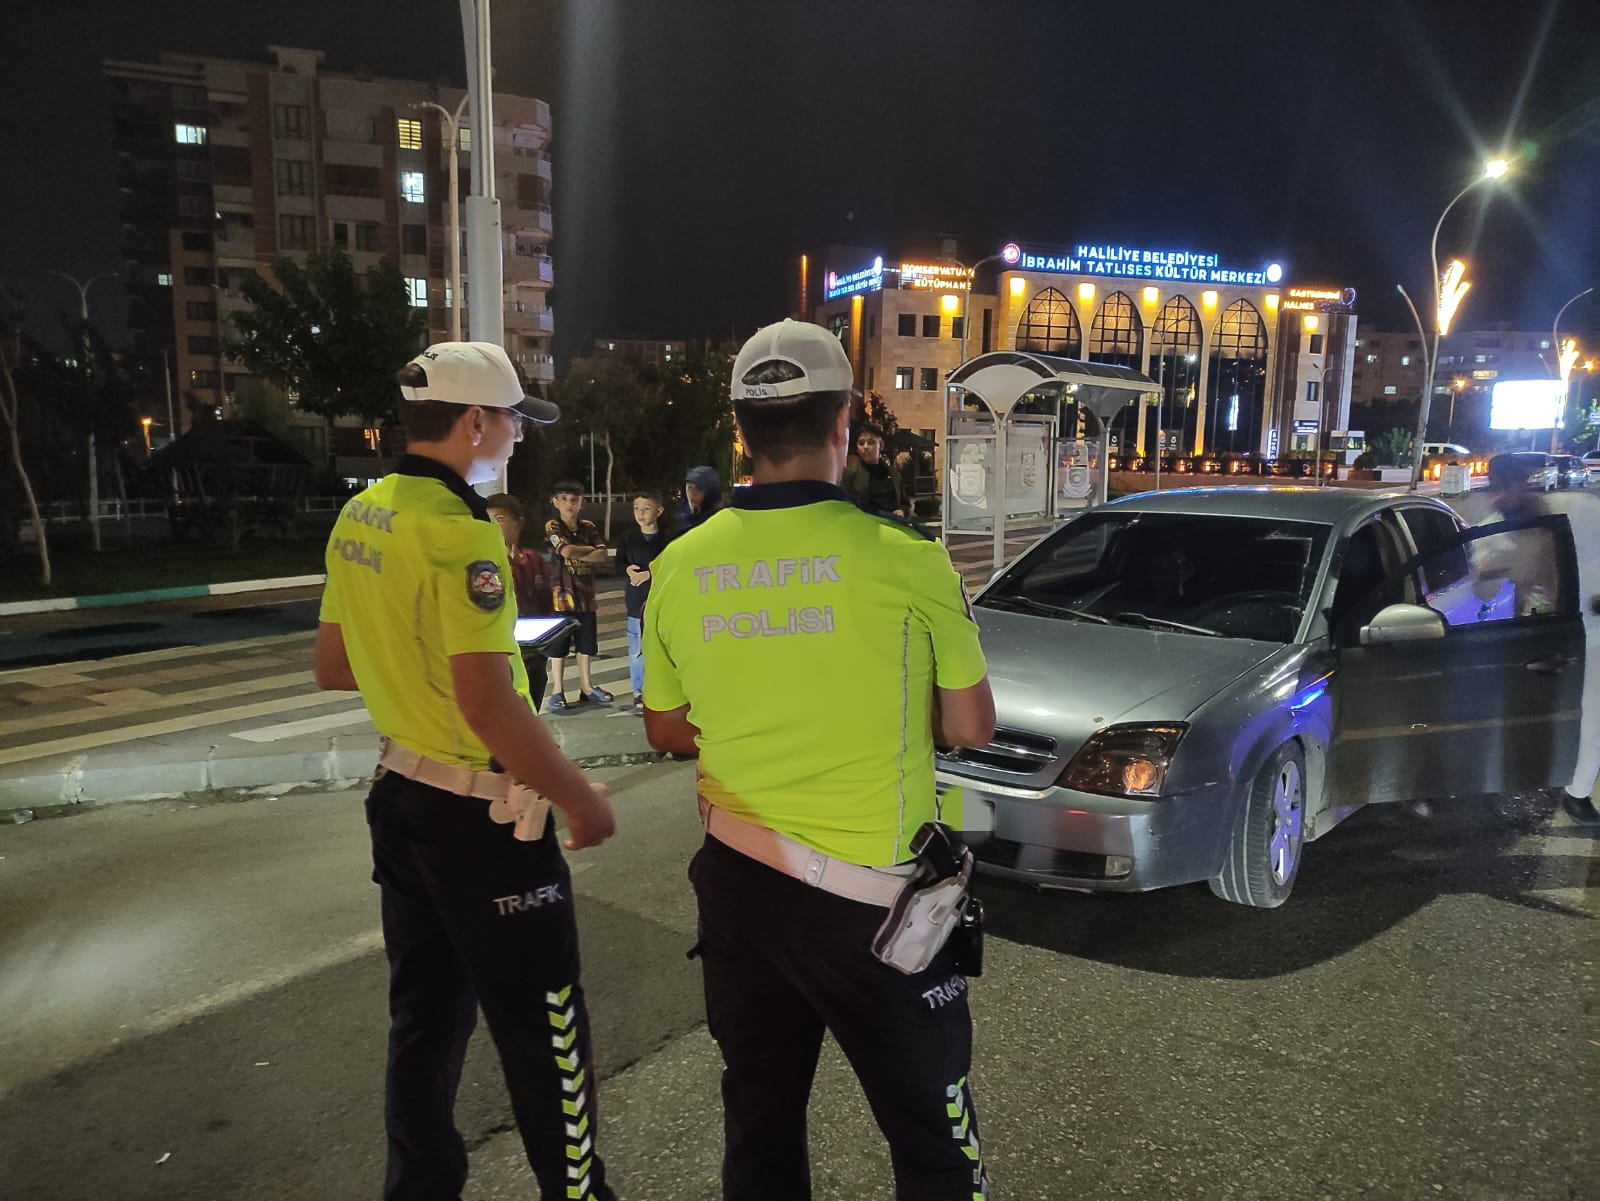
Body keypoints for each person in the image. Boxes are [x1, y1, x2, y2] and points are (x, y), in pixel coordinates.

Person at [641, 318, 998, 1199]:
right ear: (844, 422)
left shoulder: (680, 566)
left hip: (740, 887)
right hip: (878, 908)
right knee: (933, 1144)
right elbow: (973, 724)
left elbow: (664, 728)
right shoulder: (909, 560)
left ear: (739, 434)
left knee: (759, 1131)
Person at [312, 341, 619, 1201]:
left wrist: (414, 670)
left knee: (425, 1024)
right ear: (476, 421)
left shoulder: (361, 515)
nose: (520, 435)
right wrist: (578, 795)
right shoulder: (460, 532)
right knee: (548, 1029)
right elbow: (488, 703)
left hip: (400, 799)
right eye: (514, 418)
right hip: (482, 823)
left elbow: (334, 664)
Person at [1475, 453, 1600, 824]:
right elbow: (1482, 590)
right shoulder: (1494, 530)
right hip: (1537, 637)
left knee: (1592, 719)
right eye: (1495, 490)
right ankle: (1531, 781)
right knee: (1535, 717)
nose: (1501, 497)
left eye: (1509, 487)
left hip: (1591, 633)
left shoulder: (1579, 509)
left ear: (1525, 482)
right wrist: (1492, 572)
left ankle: (1577, 794)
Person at [543, 482, 611, 712]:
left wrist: (578, 551)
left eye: (574, 500)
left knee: (586, 643)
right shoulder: (553, 526)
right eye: (563, 499)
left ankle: (587, 687)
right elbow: (565, 551)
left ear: (582, 502)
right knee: (559, 645)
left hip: (586, 594)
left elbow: (602, 555)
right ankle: (557, 690)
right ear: (555, 502)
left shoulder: (589, 527)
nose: (569, 504)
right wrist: (587, 551)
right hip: (561, 595)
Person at [486, 492, 555, 712]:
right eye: (488, 521)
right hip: (502, 656)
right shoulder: (485, 566)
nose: (494, 527)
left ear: (519, 523)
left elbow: (545, 601)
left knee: (531, 709)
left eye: (500, 519)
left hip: (534, 654)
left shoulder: (533, 560)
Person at [616, 489, 668, 715]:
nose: (641, 513)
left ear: (659, 511)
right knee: (637, 651)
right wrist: (628, 569)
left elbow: (671, 567)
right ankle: (639, 692)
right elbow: (618, 564)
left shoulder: (667, 539)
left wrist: (649, 574)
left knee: (664, 650)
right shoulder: (628, 538)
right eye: (637, 508)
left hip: (661, 604)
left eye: (646, 508)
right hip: (636, 605)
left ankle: (664, 691)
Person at [842, 424, 906, 517]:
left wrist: (902, 511)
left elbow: (905, 504)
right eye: (861, 443)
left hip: (892, 525)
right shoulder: (850, 473)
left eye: (871, 442)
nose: (866, 447)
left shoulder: (894, 474)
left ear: (881, 445)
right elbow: (843, 504)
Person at [679, 465, 723, 530]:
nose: (692, 493)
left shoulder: (718, 521)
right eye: (689, 487)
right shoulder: (680, 519)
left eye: (699, 488)